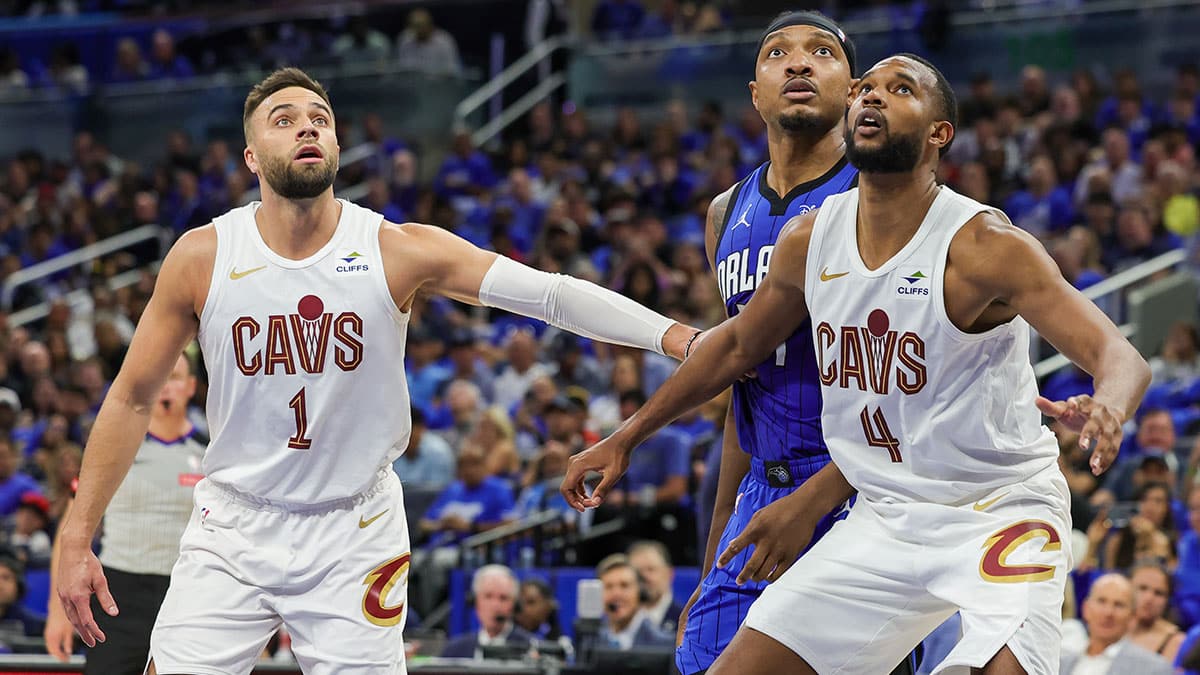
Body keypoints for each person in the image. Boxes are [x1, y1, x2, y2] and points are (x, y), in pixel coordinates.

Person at [54, 67, 696, 675]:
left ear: (336, 143)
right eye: (284, 119)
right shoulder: (203, 255)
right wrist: (77, 534)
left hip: (353, 529)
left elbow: (548, 293)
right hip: (233, 522)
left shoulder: (394, 248)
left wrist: (673, 336)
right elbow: (133, 398)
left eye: (320, 118)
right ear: (250, 158)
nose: (307, 127)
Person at [563, 53, 1150, 674]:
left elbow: (1121, 355)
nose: (872, 97)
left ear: (938, 133)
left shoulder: (983, 247)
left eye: (899, 90)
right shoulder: (810, 240)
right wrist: (625, 438)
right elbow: (736, 349)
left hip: (999, 507)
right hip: (885, 512)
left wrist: (1109, 405)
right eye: (865, 88)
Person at [669, 11, 863, 675]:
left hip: (859, 487)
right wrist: (711, 553)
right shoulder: (724, 212)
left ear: (854, 87)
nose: (799, 64)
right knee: (700, 659)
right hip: (760, 486)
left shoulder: (878, 197)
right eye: (778, 53)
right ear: (755, 92)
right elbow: (738, 376)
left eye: (821, 53)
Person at [44, 353, 205, 673]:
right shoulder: (113, 449)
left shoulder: (210, 451)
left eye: (174, 377)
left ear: (190, 387)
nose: (166, 386)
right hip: (117, 596)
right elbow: (71, 527)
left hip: (186, 593)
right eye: (160, 376)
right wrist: (57, 612)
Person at [1060, 573, 1172, 674]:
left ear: (1132, 617)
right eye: (1101, 601)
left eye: (1119, 605)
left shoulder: (1154, 669)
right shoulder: (1060, 664)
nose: (1108, 612)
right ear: (1086, 609)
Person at [440, 565, 533, 659]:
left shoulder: (530, 649)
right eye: (488, 596)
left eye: (503, 598)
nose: (495, 605)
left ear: (515, 605)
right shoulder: (454, 651)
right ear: (475, 602)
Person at [595, 554, 672, 649]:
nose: (616, 593)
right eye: (608, 587)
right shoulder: (589, 640)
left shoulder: (663, 643)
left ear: (640, 592)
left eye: (624, 585)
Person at [1128, 563, 1185, 663]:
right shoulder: (1108, 628)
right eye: (1142, 588)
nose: (1149, 598)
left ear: (1168, 599)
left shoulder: (1177, 642)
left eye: (1159, 593)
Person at [627, 540, 683, 633]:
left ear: (669, 574)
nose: (644, 576)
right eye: (637, 571)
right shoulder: (619, 619)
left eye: (651, 569)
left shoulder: (686, 620)